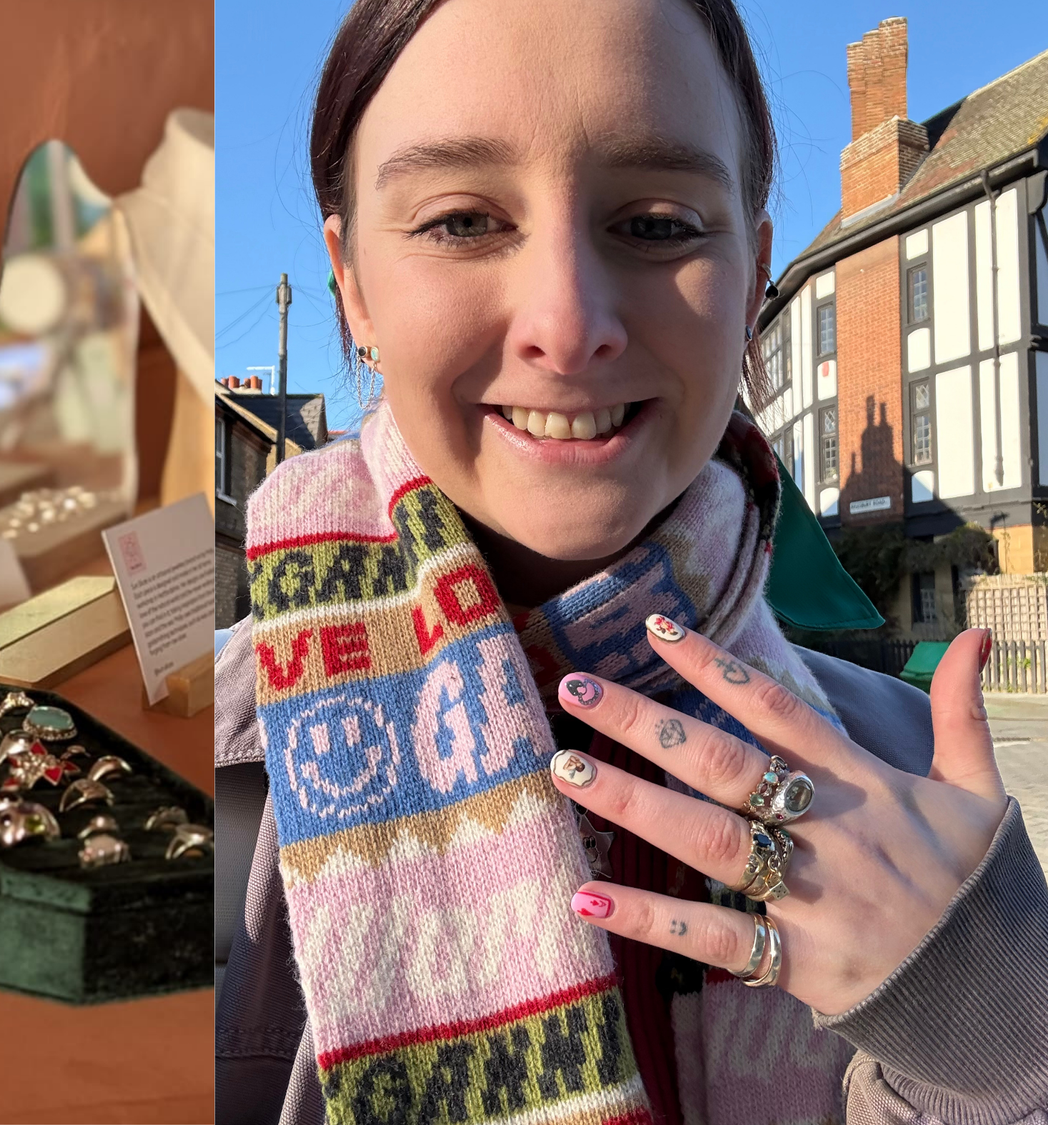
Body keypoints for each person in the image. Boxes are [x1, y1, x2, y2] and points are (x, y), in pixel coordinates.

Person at [212, 1, 1048, 1121]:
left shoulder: (923, 798)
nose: (567, 323)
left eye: (656, 223)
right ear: (351, 282)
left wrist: (995, 1049)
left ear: (753, 280)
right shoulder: (196, 766)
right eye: (461, 220)